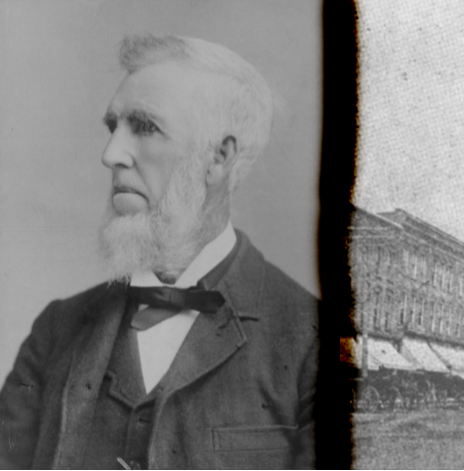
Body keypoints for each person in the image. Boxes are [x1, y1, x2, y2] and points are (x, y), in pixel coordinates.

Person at [0, 33, 316, 469]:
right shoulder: (56, 331)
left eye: (145, 127)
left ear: (218, 159)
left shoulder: (312, 344)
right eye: (114, 127)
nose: (111, 154)